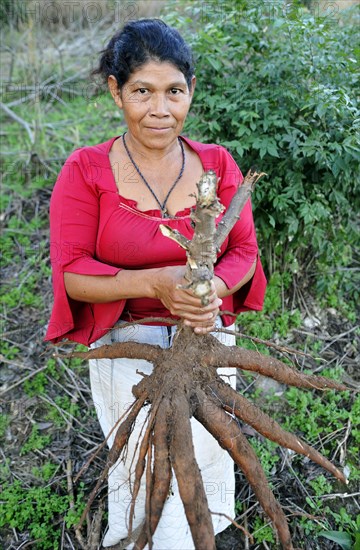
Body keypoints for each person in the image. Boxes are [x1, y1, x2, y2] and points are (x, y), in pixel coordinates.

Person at [45, 18, 266, 549]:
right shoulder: (86, 170)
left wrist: (210, 290)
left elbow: (244, 252)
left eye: (175, 91)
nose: (160, 109)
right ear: (116, 91)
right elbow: (72, 273)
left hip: (208, 346)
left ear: (191, 91)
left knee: (208, 468)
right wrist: (155, 282)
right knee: (141, 475)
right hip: (130, 355)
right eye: (142, 91)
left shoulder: (216, 163)